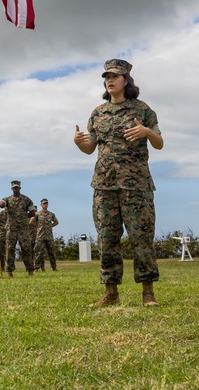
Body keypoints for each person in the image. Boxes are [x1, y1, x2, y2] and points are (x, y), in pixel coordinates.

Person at [74, 58, 164, 307]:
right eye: (106, 77)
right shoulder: (98, 113)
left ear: (126, 80)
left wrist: (147, 132)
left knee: (141, 239)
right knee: (106, 239)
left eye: (114, 76)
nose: (109, 80)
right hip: (104, 185)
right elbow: (90, 148)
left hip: (137, 185)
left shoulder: (142, 109)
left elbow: (159, 143)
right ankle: (111, 293)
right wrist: (79, 142)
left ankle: (148, 293)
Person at [0, 180, 36, 277]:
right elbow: (2, 204)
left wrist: (23, 216)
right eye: (14, 187)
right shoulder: (7, 199)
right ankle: (9, 271)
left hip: (23, 229)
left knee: (26, 249)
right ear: (11, 188)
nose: (16, 189)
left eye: (17, 187)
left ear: (20, 188)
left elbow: (32, 213)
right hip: (11, 229)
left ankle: (30, 270)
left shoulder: (26, 199)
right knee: (10, 249)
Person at [30, 198, 60, 271]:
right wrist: (38, 227)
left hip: (49, 236)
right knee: (38, 252)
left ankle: (54, 267)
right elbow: (31, 222)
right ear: (41, 205)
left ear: (48, 204)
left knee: (51, 252)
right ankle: (36, 267)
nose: (45, 205)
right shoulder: (37, 214)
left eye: (46, 203)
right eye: (44, 204)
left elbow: (56, 222)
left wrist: (50, 226)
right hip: (40, 236)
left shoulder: (51, 214)